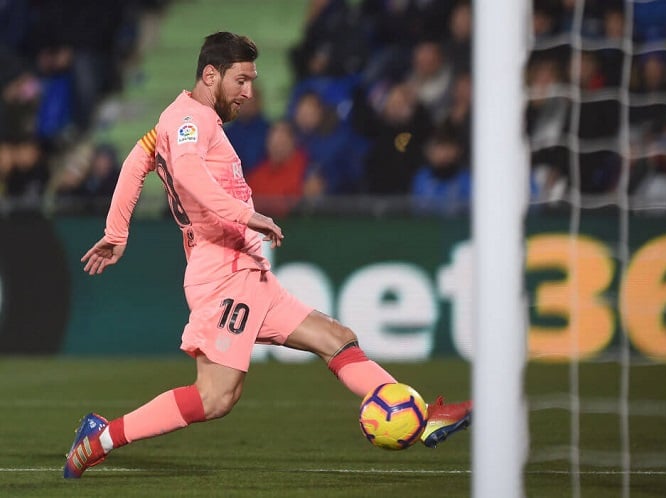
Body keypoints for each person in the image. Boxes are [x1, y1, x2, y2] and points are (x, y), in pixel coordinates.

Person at [63, 32, 471, 479]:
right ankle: (99, 439)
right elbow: (190, 175)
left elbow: (137, 161)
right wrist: (246, 214)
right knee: (215, 398)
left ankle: (421, 416)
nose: (248, 93)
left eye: (252, 81)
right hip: (223, 275)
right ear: (210, 75)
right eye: (241, 80)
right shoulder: (189, 121)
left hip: (247, 271)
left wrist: (116, 231)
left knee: (336, 337)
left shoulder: (179, 120)